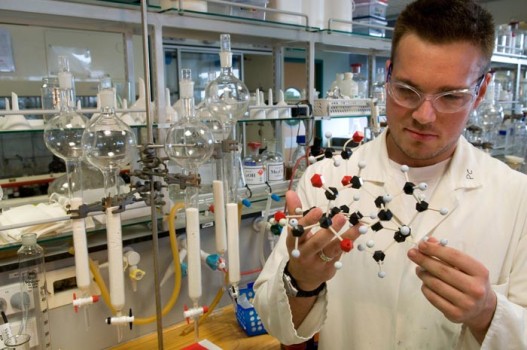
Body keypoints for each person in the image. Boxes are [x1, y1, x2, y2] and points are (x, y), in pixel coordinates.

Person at [253, 0, 527, 348]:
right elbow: (276, 323)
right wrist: (300, 282)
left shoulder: (518, 198)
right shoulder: (327, 182)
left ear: (481, 92)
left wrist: (487, 312)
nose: (424, 115)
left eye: (450, 96)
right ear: (387, 77)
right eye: (407, 90)